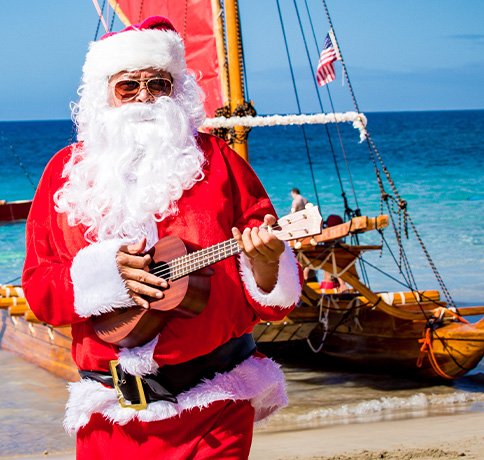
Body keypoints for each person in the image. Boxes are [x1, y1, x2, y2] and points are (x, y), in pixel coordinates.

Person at [22, 17, 302, 460]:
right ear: (102, 94)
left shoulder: (222, 162)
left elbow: (275, 300)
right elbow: (40, 291)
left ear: (178, 89)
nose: (144, 97)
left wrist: (268, 264)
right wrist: (106, 277)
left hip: (214, 406)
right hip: (109, 417)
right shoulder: (64, 173)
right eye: (127, 87)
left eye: (158, 83)